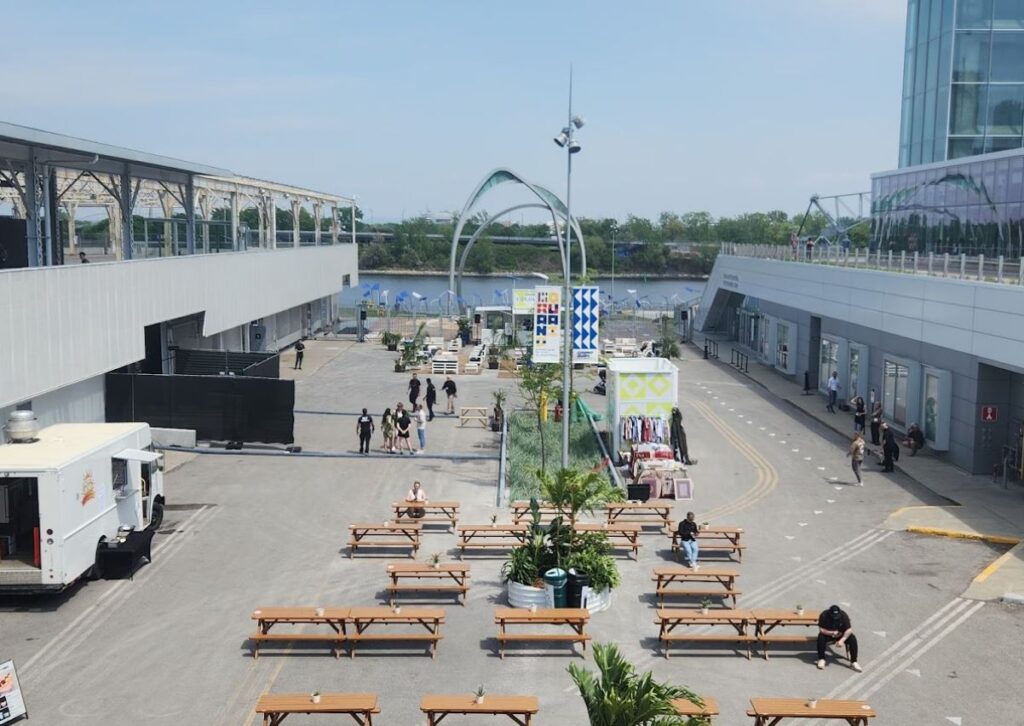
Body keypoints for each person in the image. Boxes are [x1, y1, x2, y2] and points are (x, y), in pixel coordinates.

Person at [816, 604, 862, 672]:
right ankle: (821, 659)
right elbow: (821, 630)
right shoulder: (824, 615)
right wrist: (831, 633)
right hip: (828, 634)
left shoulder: (843, 615)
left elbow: (849, 630)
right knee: (821, 638)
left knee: (852, 638)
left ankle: (853, 661)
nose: (835, 618)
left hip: (841, 634)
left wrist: (842, 640)